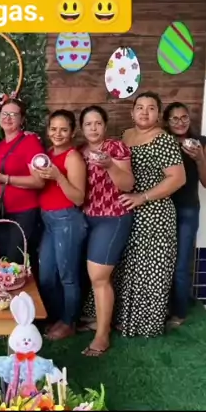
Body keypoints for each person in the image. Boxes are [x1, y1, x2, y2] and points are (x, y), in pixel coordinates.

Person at [114, 91, 186, 338]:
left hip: (155, 214)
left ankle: (146, 324)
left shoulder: (164, 140)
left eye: (151, 108)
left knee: (151, 270)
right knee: (129, 267)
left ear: (159, 114)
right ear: (132, 111)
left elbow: (178, 178)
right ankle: (124, 320)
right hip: (129, 212)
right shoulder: (125, 136)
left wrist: (143, 197)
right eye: (140, 107)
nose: (145, 112)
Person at [78, 105, 135, 356]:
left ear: (105, 125)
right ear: (82, 128)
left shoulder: (115, 148)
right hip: (86, 219)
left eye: (98, 123)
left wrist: (110, 165)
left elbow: (128, 184)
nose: (93, 128)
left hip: (112, 217)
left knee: (99, 276)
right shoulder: (79, 152)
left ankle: (102, 335)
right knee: (93, 276)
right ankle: (96, 321)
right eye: (88, 124)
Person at [31, 109, 87, 341]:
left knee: (68, 276)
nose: (58, 133)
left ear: (72, 132)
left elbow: (79, 198)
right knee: (46, 276)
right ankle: (56, 317)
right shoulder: (47, 155)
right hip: (48, 220)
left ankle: (69, 322)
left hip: (67, 220)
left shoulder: (73, 157)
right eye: (53, 129)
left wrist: (59, 177)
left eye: (64, 129)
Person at [163, 101, 206, 327]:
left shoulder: (203, 143)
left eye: (184, 117)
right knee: (162, 261)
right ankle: (161, 308)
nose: (180, 122)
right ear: (167, 122)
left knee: (181, 263)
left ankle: (179, 312)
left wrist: (199, 157)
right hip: (162, 209)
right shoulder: (162, 142)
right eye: (174, 118)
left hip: (188, 210)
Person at [0, 98, 44, 271]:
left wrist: (5, 178)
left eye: (13, 114)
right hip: (0, 212)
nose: (7, 118)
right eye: (4, 114)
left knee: (16, 263)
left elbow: (39, 181)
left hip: (22, 214)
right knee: (3, 262)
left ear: (22, 119)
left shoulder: (30, 142)